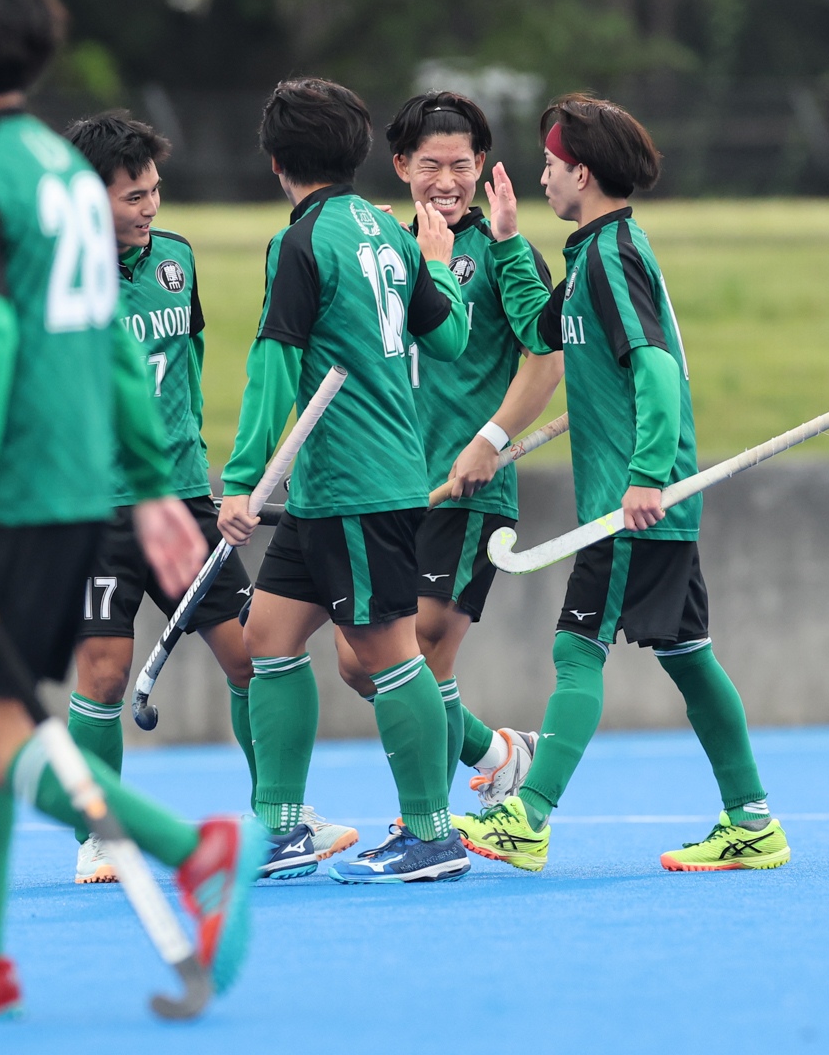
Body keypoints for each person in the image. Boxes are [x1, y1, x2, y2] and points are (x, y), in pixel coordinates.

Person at [0, 0, 260, 1021]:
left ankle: (193, 850)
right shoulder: (57, 169)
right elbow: (115, 352)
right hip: (82, 493)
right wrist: (151, 484)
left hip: (21, 497)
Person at [453, 94, 787, 875]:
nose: (541, 176)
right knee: (690, 657)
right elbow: (540, 330)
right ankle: (752, 822)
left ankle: (528, 817)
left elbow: (657, 369)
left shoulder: (613, 257)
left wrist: (644, 476)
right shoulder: (592, 256)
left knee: (577, 650)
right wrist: (507, 242)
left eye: (550, 164)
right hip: (645, 503)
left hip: (630, 506)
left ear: (583, 173)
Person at [55, 110, 355, 884]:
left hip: (184, 499)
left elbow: (185, 369)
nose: (149, 207)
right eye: (132, 197)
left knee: (251, 656)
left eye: (154, 191)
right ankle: (101, 835)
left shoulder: (177, 260)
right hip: (95, 510)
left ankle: (280, 815)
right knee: (103, 675)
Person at [215, 78, 475, 884]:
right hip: (328, 486)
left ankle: (432, 836)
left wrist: (241, 479)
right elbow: (451, 339)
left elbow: (273, 363)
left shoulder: (299, 242)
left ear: (275, 162)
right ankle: (282, 828)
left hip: (359, 482)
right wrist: (437, 265)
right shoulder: (387, 232)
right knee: (267, 638)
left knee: (387, 652)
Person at [334, 93, 559, 808]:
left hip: (469, 488)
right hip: (392, 484)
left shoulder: (502, 252)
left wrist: (490, 441)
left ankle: (425, 825)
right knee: (359, 662)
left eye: (461, 165)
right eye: (430, 165)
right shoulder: (384, 250)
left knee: (424, 645)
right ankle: (499, 753)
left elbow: (546, 356)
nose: (447, 181)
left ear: (482, 166)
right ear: (401, 165)